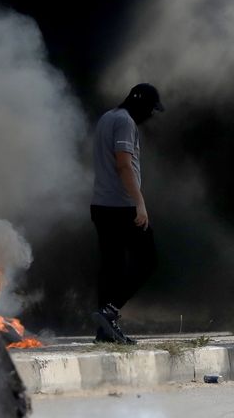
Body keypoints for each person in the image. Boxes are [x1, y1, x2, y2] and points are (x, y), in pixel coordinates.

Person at [90, 83, 164, 344]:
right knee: (148, 260)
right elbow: (123, 164)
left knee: (111, 267)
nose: (151, 116)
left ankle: (104, 332)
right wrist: (140, 204)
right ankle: (108, 312)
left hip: (101, 206)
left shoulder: (106, 118)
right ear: (142, 104)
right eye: (151, 110)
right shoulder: (124, 122)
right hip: (122, 207)